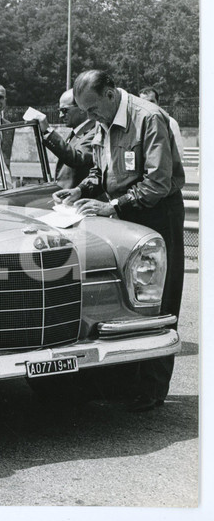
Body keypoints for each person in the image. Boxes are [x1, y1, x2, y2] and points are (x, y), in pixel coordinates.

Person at [53, 70, 185, 413]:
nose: (92, 117)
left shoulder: (149, 118)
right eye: (87, 111)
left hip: (157, 215)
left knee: (157, 298)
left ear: (111, 94)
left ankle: (152, 389)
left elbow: (157, 182)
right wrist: (81, 189)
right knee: (122, 298)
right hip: (123, 212)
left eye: (94, 109)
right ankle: (124, 383)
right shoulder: (104, 119)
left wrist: (112, 206)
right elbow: (103, 169)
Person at [34, 88, 96, 189]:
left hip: (80, 199)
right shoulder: (76, 132)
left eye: (65, 110)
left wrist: (48, 131)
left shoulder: (95, 131)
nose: (60, 115)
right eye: (59, 111)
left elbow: (77, 158)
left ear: (82, 108)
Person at [139, 87, 185, 160]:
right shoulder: (136, 124)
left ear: (157, 102)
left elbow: (178, 151)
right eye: (144, 102)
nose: (148, 104)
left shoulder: (170, 122)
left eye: (151, 101)